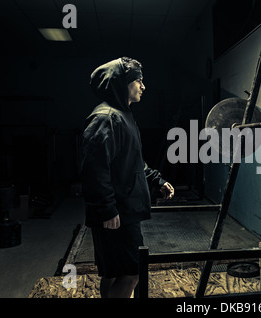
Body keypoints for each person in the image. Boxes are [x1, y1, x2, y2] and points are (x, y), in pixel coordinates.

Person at [80, 57, 174, 298]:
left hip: (123, 209)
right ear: (122, 83)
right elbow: (94, 169)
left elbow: (132, 161)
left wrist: (157, 180)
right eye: (138, 81)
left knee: (112, 272)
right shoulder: (106, 118)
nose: (143, 86)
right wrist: (107, 209)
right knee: (132, 272)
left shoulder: (124, 115)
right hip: (117, 214)